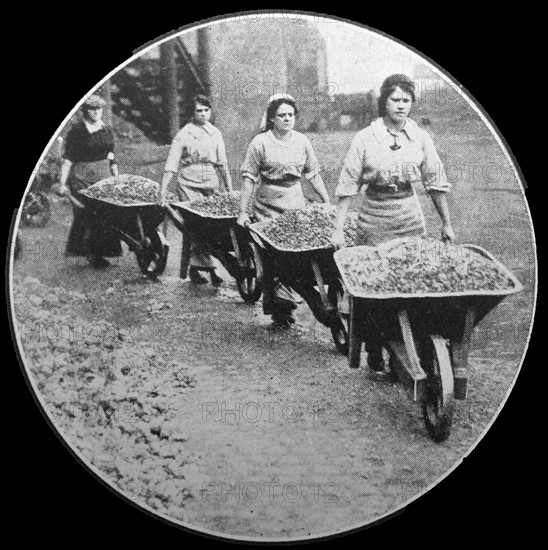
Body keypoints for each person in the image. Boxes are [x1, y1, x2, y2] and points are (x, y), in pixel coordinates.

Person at [332, 74, 455, 371]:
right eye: (395, 99)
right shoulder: (365, 138)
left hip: (409, 217)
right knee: (375, 287)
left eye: (406, 100)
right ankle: (375, 347)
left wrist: (446, 223)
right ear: (384, 102)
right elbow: (348, 186)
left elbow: (435, 183)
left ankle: (413, 348)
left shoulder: (421, 137)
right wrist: (338, 227)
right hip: (374, 217)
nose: (401, 106)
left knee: (411, 284)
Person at [238, 93, 331, 326]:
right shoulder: (260, 143)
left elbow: (313, 174)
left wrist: (326, 200)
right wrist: (243, 211)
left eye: (291, 115)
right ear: (272, 118)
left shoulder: (302, 142)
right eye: (282, 115)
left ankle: (290, 299)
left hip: (294, 202)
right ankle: (280, 307)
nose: (287, 119)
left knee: (296, 254)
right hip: (267, 205)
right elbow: (249, 179)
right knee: (273, 257)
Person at [159, 94, 233, 286]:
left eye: (206, 110)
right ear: (192, 113)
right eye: (198, 111)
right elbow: (171, 164)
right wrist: (163, 190)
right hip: (188, 181)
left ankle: (201, 266)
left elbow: (223, 164)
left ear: (210, 111)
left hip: (210, 180)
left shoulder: (215, 133)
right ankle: (208, 268)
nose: (203, 114)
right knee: (196, 224)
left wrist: (229, 189)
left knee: (214, 225)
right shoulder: (185, 133)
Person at [57, 94, 121, 268]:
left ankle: (102, 252)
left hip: (103, 175)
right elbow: (68, 159)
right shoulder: (77, 131)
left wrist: (116, 177)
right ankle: (92, 254)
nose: (95, 112)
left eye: (98, 109)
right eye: (91, 109)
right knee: (89, 214)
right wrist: (62, 183)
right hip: (82, 177)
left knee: (107, 213)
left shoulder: (106, 130)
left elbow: (112, 156)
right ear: (85, 111)